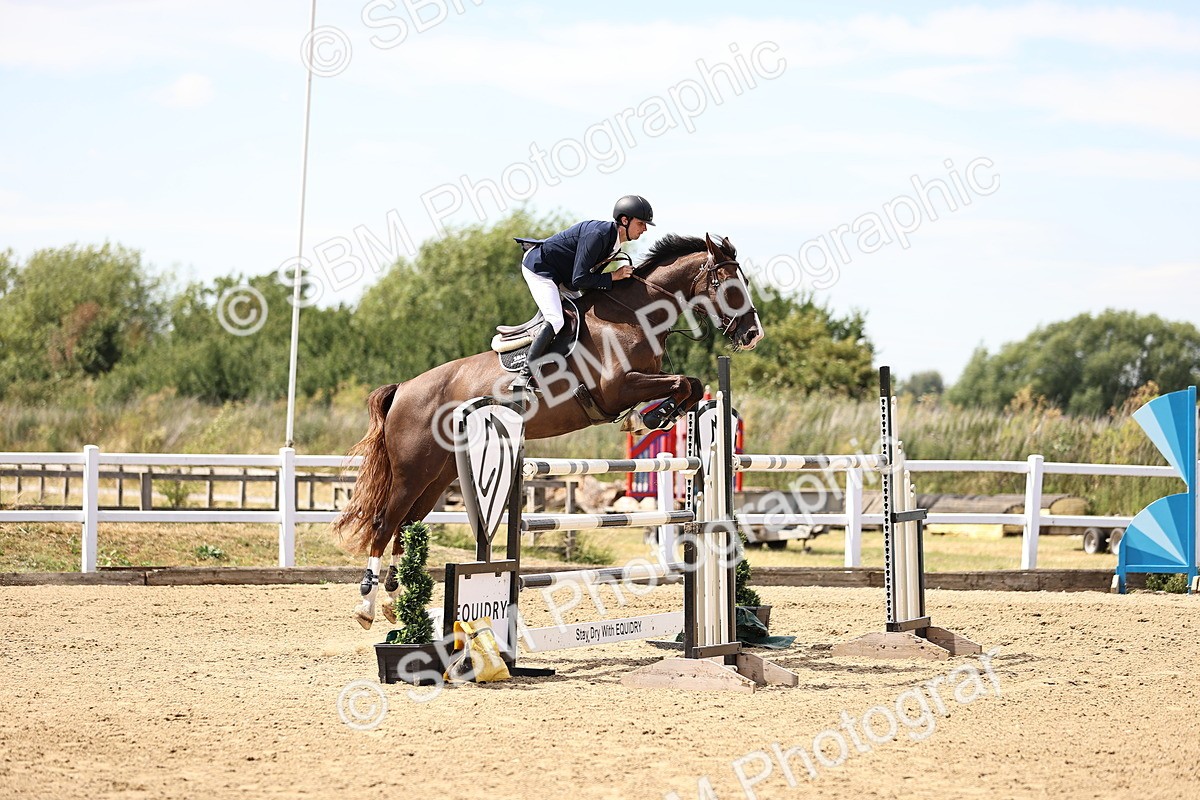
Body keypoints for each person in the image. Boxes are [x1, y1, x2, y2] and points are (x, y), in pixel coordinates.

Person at [512, 194, 655, 390]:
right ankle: (524, 376)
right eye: (641, 223)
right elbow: (580, 279)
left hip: (565, 277)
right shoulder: (598, 235)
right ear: (625, 220)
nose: (644, 229)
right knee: (556, 320)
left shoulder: (615, 244)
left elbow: (584, 280)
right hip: (540, 268)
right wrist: (614, 276)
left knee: (584, 320)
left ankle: (557, 368)